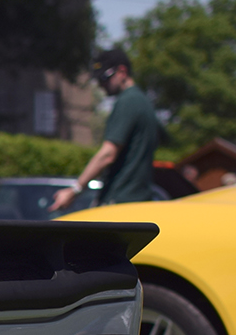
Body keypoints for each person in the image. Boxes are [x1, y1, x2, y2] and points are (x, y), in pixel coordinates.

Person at [50, 47, 162, 213]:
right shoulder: (144, 103)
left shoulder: (127, 102)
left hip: (120, 202)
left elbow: (108, 154)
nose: (101, 85)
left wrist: (74, 190)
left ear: (122, 71)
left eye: (105, 78)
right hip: (139, 201)